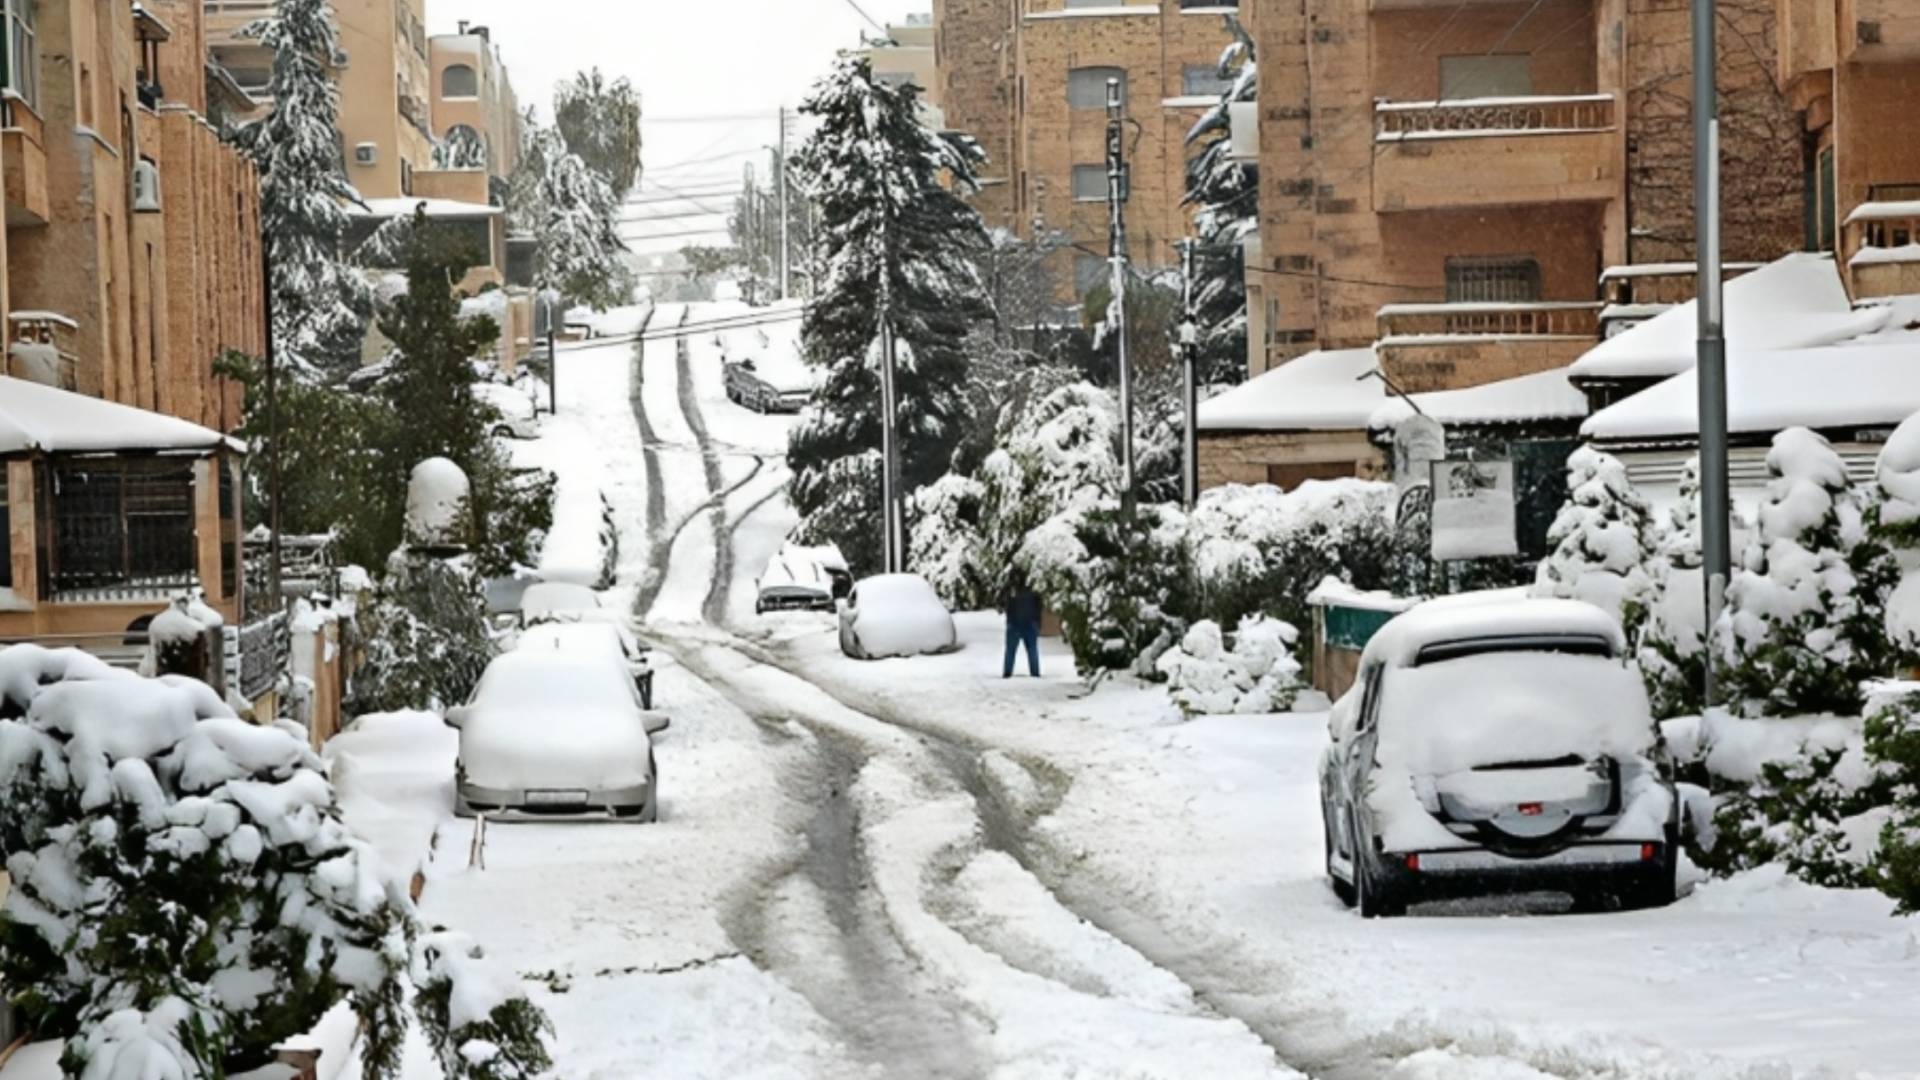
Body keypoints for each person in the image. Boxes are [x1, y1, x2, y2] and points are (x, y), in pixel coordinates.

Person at [1003, 579, 1043, 679]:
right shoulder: (1034, 587)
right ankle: (1035, 672)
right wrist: (1038, 621)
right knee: (1032, 649)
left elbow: (1005, 603)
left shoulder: (1011, 587)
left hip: (1014, 622)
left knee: (1010, 650)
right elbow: (1039, 605)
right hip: (1030, 621)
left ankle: (1007, 672)